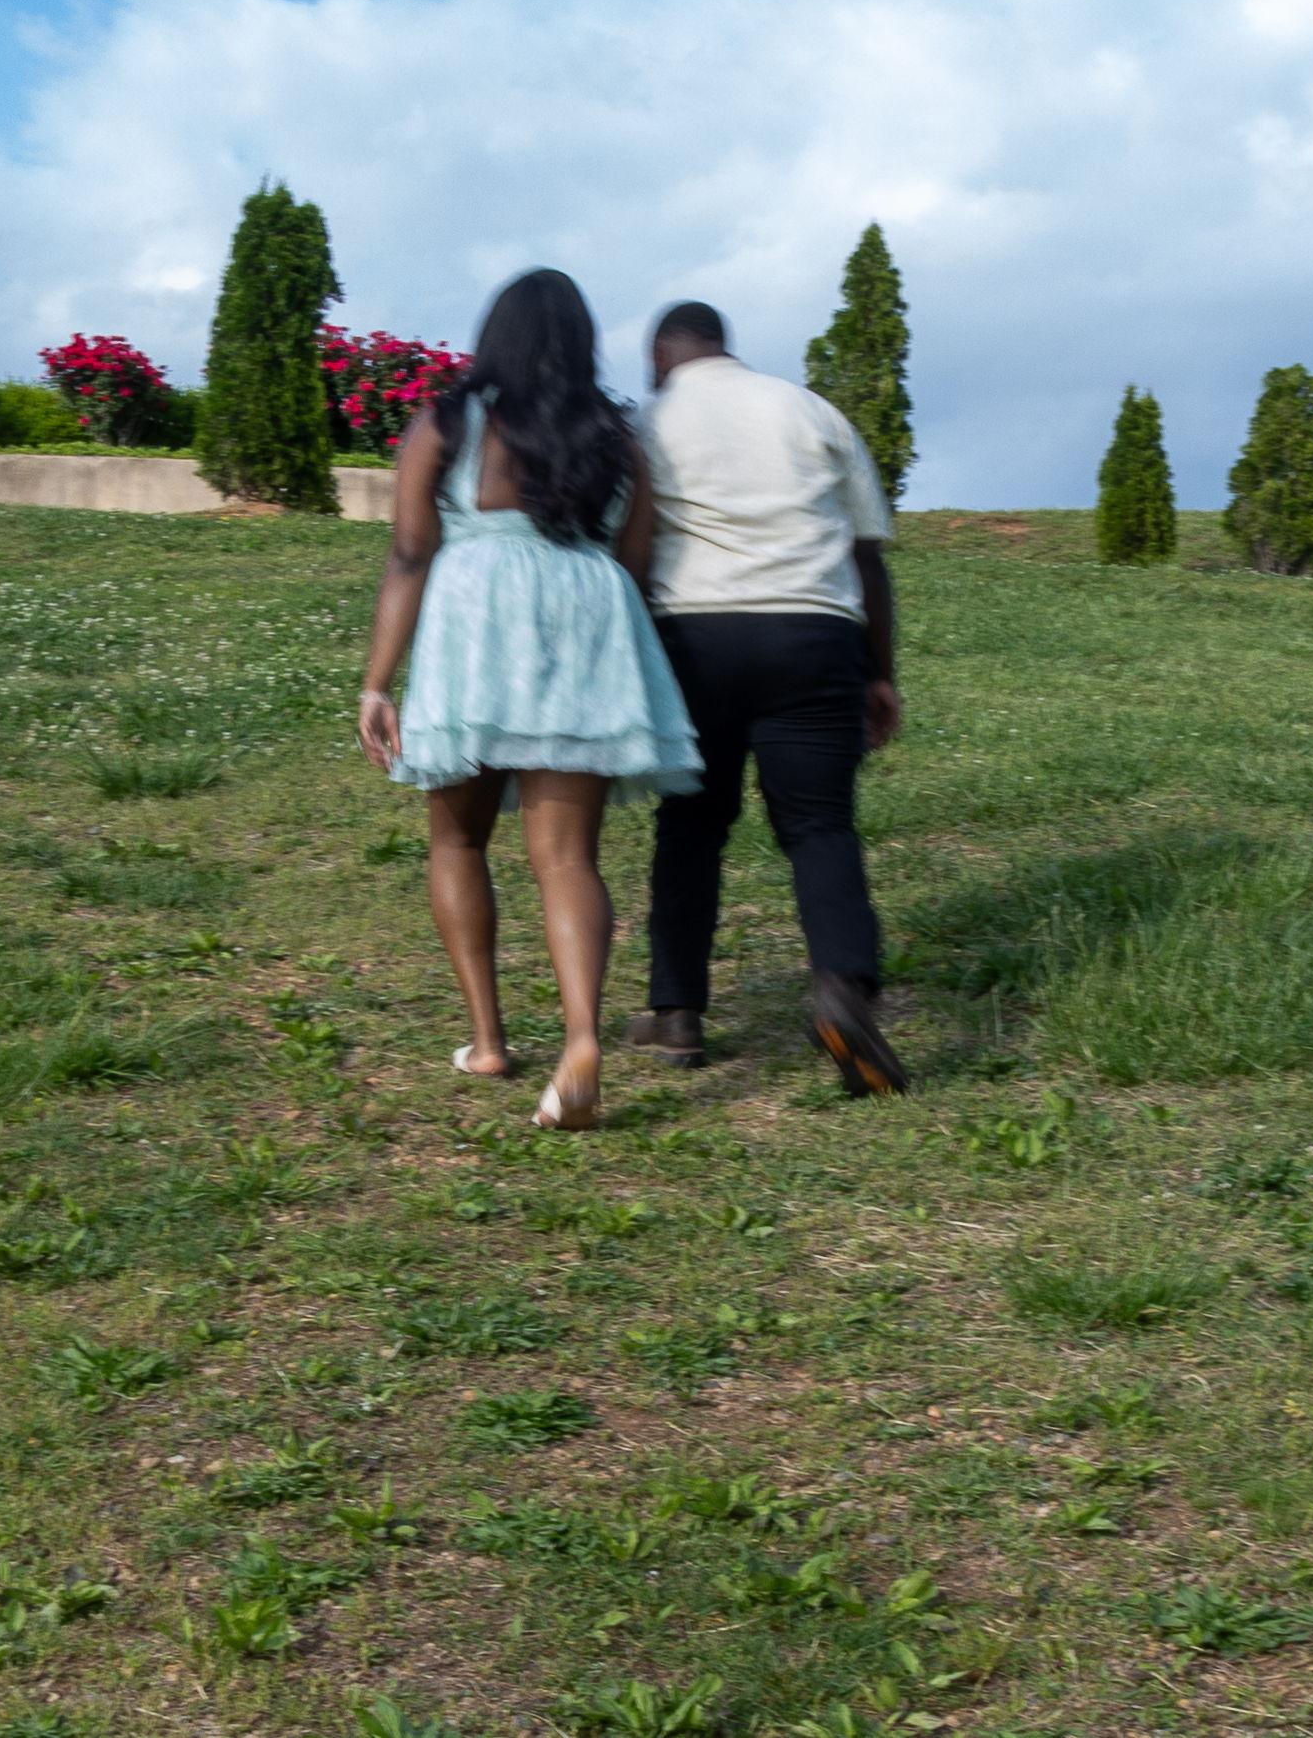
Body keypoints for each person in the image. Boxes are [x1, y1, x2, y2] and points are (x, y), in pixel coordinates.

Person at [356, 269, 700, 1131]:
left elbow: (409, 554)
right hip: (588, 615)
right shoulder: (617, 436)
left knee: (456, 836)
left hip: (476, 619)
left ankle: (488, 1041)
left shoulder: (446, 422)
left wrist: (377, 681)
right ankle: (581, 1041)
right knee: (568, 858)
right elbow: (634, 560)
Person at [628, 299, 910, 1097]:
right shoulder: (810, 411)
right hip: (813, 633)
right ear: (724, 347)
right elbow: (866, 555)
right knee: (820, 825)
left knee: (690, 824)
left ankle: (676, 1012)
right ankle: (842, 989)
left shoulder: (648, 421)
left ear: (661, 358)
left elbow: (629, 543)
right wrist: (878, 672)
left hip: (692, 637)